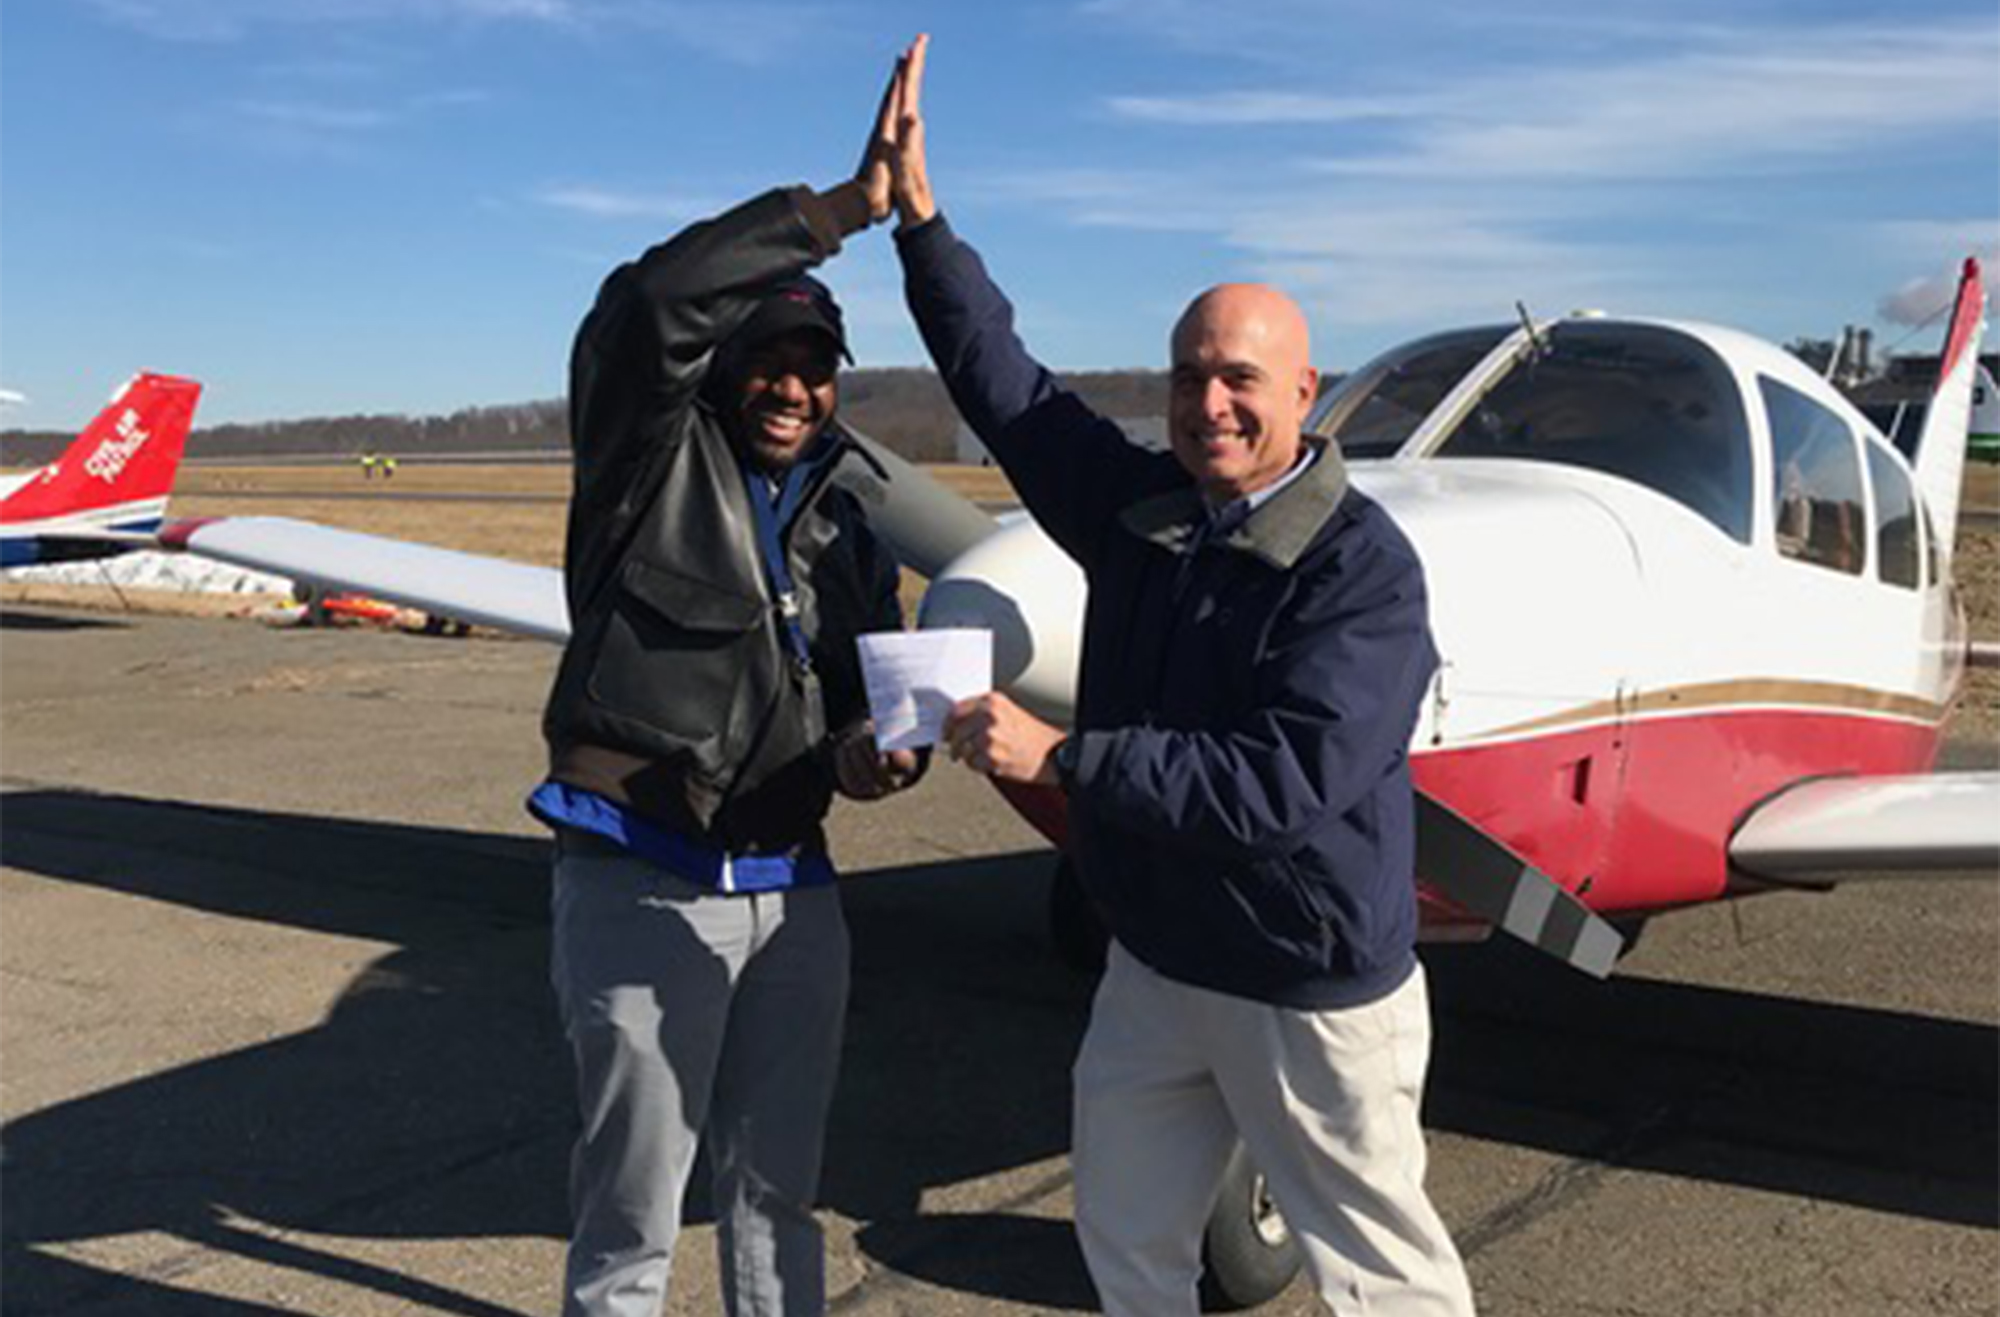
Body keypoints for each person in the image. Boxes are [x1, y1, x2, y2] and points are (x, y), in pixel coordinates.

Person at [877, 35, 1475, 1317]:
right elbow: (1013, 396)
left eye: (1239, 379)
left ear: (1303, 395)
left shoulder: (1360, 574)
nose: (1209, 402)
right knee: (1126, 1242)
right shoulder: (1145, 509)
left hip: (1306, 988)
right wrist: (922, 230)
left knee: (1382, 1275)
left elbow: (1282, 784)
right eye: (1189, 375)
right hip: (1157, 963)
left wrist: (1064, 759)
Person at [528, 61, 925, 1317]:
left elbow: (870, 695)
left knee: (777, 1199)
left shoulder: (844, 521)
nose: (794, 388)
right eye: (769, 358)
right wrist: (843, 208)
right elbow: (648, 303)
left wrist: (881, 751)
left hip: (792, 893)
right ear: (721, 367)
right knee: (632, 1216)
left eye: (818, 367)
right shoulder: (644, 462)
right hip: (645, 871)